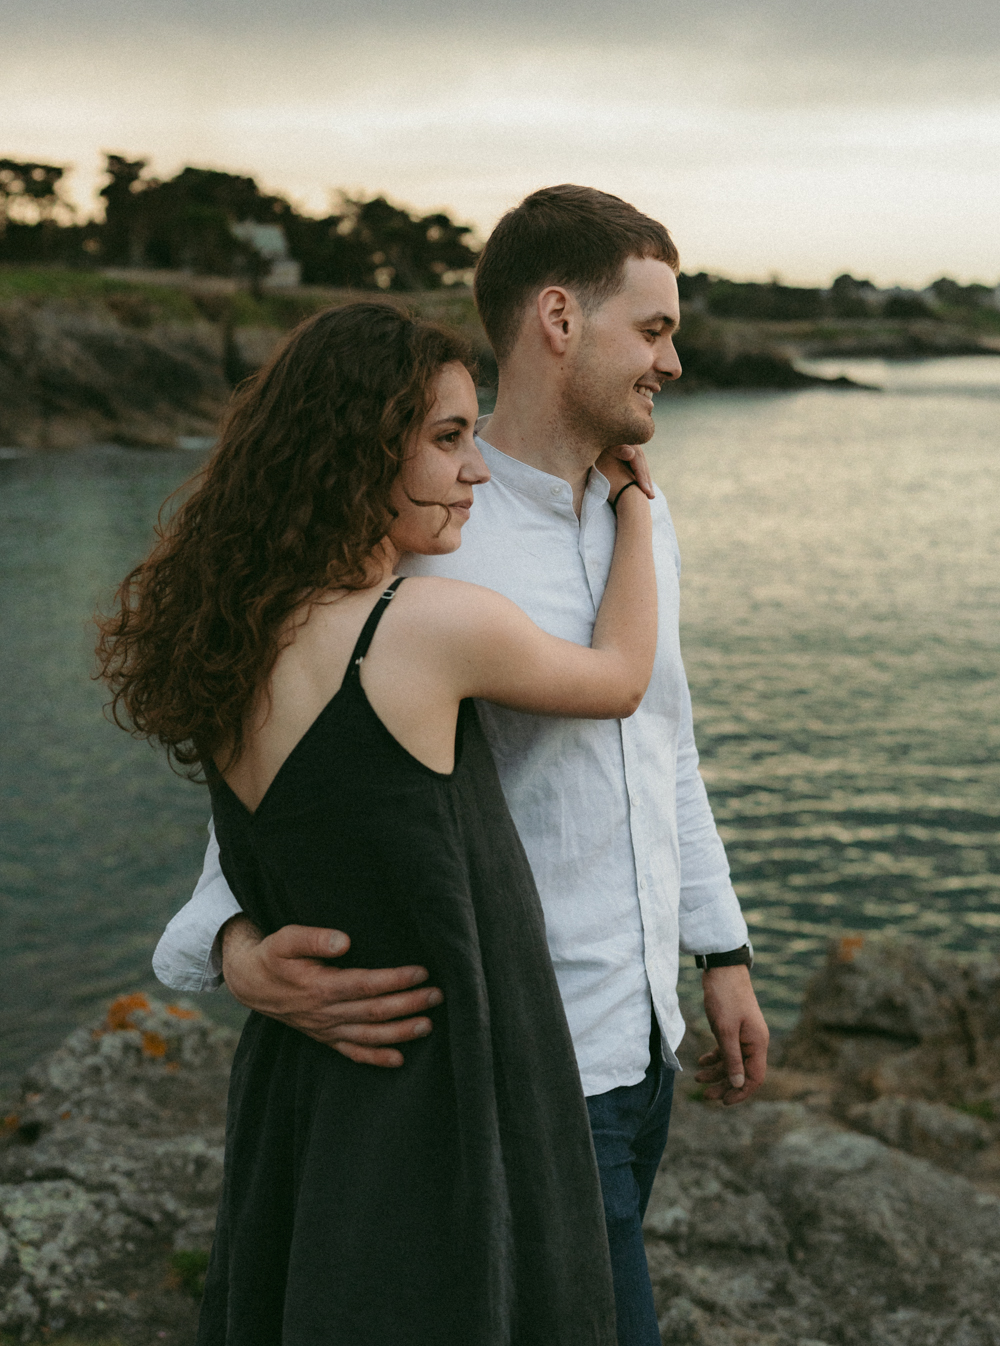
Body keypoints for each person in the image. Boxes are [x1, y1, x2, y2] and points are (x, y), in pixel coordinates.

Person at [154, 185, 770, 1346]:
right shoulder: (426, 543)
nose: (672, 364)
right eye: (652, 330)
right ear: (556, 318)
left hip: (643, 1046)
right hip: (520, 1064)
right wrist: (232, 951)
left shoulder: (645, 517)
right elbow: (295, 800)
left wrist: (720, 950)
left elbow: (663, 742)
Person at [98, 300, 661, 1345]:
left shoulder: (227, 641)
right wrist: (633, 512)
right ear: (357, 450)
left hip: (301, 1086)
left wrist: (237, 949)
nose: (476, 471)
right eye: (448, 439)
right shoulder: (427, 627)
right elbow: (621, 679)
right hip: (444, 1091)